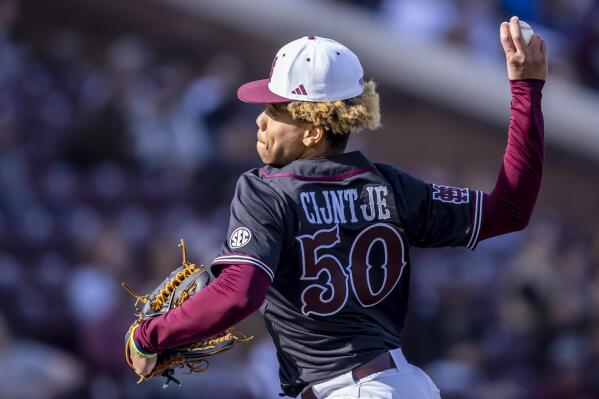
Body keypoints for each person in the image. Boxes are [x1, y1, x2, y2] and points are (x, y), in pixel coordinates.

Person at [127, 17, 547, 399]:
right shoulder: (392, 185)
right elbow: (509, 210)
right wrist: (525, 91)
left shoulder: (266, 190)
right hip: (398, 385)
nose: (260, 120)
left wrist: (151, 335)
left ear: (312, 131)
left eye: (275, 109)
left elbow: (239, 293)